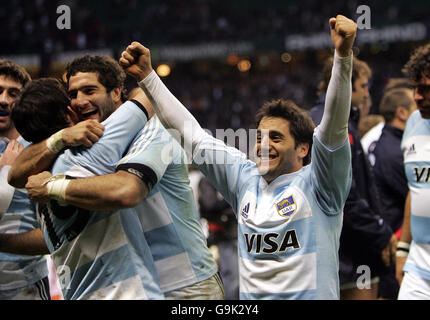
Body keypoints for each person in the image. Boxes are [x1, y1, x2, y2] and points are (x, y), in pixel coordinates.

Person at [120, 14, 355, 300]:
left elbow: (334, 125)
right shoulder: (244, 179)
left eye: (276, 138)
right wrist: (148, 77)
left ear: (303, 148)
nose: (263, 146)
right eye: (260, 138)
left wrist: (343, 57)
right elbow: (191, 134)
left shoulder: (321, 185)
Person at [10, 55, 222, 300]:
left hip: (182, 284)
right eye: (72, 94)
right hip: (137, 286)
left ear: (116, 92)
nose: (79, 102)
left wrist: (52, 187)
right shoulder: (80, 145)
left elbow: (127, 190)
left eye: (89, 90)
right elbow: (17, 175)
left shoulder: (151, 129)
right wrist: (60, 139)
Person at [10, 76, 163, 300]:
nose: (80, 102)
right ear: (70, 114)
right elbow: (149, 94)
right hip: (128, 294)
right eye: (72, 97)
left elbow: (14, 175)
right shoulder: (92, 148)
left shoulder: (35, 179)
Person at [309, 52, 397, 300]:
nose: (367, 93)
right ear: (345, 83)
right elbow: (345, 198)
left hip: (324, 251)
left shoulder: (309, 120)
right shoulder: (337, 128)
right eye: (362, 86)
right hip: (347, 254)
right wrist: (381, 233)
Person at [0, 60, 52, 300]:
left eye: (13, 93)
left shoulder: (40, 152)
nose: (3, 99)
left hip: (25, 284)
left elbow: (51, 236)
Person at [371, 88, 417, 299]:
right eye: (415, 107)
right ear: (402, 112)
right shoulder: (393, 150)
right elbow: (416, 195)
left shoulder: (388, 141)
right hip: (396, 241)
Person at [397, 43, 430, 299]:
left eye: (426, 89)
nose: (417, 97)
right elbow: (415, 189)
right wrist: (402, 249)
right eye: (416, 88)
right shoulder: (413, 123)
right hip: (419, 265)